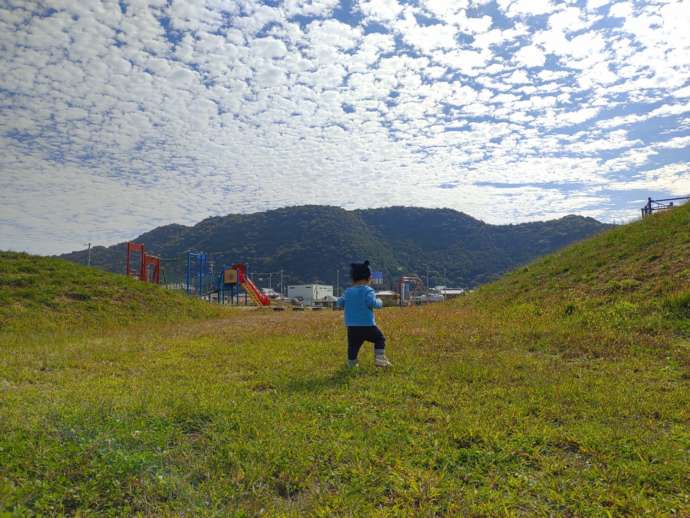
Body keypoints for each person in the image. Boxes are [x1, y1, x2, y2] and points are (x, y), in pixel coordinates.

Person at [336, 261, 392, 368]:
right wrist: (379, 302)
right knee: (379, 339)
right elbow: (372, 302)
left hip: (352, 326)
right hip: (367, 325)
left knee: (353, 346)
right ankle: (380, 359)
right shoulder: (368, 290)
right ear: (369, 278)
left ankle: (352, 364)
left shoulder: (348, 291)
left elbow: (340, 302)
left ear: (353, 278)